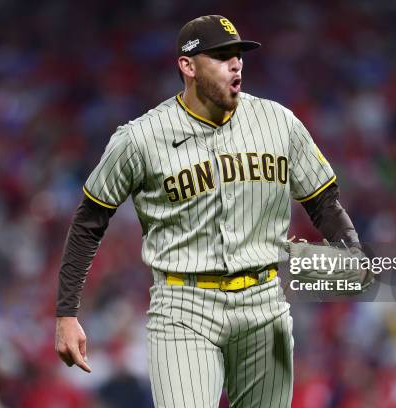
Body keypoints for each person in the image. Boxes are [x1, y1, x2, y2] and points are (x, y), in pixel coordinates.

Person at [55, 15, 363, 408]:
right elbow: (88, 221)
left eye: (238, 55)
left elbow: (322, 201)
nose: (235, 64)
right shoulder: (141, 138)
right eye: (220, 56)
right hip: (184, 307)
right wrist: (66, 313)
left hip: (265, 302)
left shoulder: (278, 122)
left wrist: (351, 251)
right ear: (188, 66)